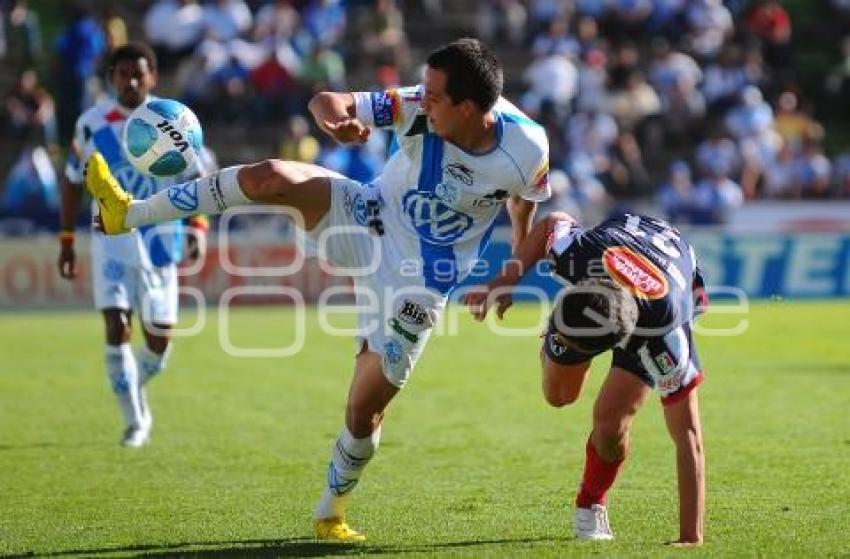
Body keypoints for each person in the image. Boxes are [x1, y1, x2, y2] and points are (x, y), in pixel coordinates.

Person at [84, 38, 550, 540]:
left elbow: (524, 202)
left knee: (363, 411)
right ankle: (127, 213)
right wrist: (338, 119)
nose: (423, 99)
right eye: (426, 90)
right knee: (271, 176)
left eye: (436, 96)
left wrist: (514, 269)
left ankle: (331, 512)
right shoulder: (416, 106)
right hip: (367, 217)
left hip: (419, 285)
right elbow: (329, 100)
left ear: (470, 107)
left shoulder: (527, 148)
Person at [465, 211, 706, 545]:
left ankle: (591, 504)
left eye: (565, 338)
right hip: (620, 244)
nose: (560, 341)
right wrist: (503, 282)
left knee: (611, 426)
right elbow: (552, 221)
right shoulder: (578, 254)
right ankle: (560, 336)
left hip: (663, 283)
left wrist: (690, 538)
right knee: (559, 396)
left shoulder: (664, 340)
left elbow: (689, 437)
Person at [58, 43, 209, 448]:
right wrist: (67, 239)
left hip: (162, 238)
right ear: (112, 78)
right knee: (117, 326)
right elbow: (73, 179)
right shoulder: (92, 123)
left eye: (139, 74)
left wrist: (197, 226)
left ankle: (129, 385)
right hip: (112, 239)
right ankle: (133, 422)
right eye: (123, 74)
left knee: (159, 342)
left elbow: (199, 177)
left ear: (153, 77)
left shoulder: (172, 119)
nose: (131, 81)